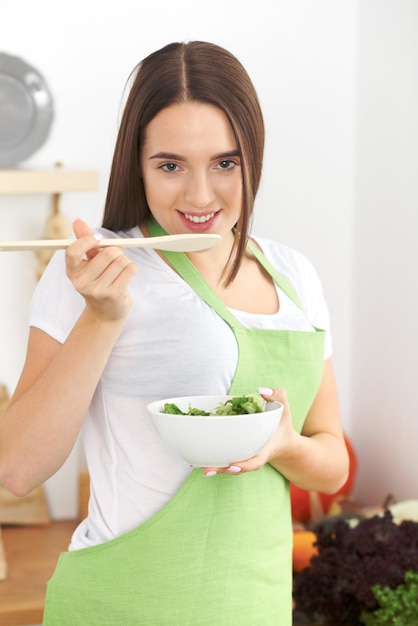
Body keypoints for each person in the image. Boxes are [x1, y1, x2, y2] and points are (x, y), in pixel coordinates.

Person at [0, 41, 349, 625]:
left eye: (224, 163)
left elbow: (332, 460)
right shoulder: (97, 274)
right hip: (125, 603)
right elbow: (16, 470)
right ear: (137, 164)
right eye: (170, 165)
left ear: (253, 158)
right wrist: (102, 318)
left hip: (255, 606)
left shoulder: (295, 275)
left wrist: (286, 446)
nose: (199, 195)